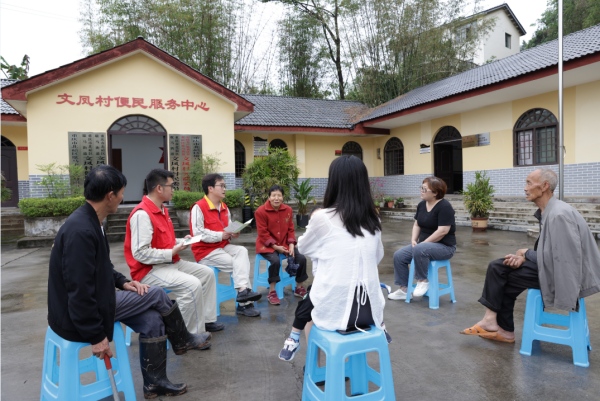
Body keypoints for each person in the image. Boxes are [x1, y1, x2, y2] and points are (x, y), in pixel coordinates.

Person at [48, 165, 212, 399]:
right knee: (155, 294)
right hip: (75, 315)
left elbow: (103, 268)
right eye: (122, 192)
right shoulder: (81, 231)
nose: (124, 197)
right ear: (110, 195)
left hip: (96, 300)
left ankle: (155, 384)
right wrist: (96, 337)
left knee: (153, 320)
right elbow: (79, 291)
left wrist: (124, 282)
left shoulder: (93, 221)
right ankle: (183, 339)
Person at [460, 168, 600, 343]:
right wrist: (526, 257)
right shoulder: (550, 210)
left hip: (568, 277)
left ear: (544, 186)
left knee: (501, 274)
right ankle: (497, 325)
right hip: (556, 268)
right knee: (500, 267)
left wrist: (526, 253)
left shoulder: (559, 214)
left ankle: (498, 326)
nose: (525, 188)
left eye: (529, 183)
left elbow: (563, 260)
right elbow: (551, 252)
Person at [278, 155, 390, 362]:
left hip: (335, 313)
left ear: (334, 183)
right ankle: (381, 331)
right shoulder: (374, 218)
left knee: (311, 302)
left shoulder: (323, 217)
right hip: (370, 313)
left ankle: (312, 363)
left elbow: (303, 247)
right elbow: (377, 256)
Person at [124, 168, 223, 340]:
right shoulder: (142, 214)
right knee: (191, 284)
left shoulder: (162, 209)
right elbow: (140, 253)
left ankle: (205, 321)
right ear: (159, 188)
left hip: (169, 263)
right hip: (149, 271)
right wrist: (171, 252)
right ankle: (185, 336)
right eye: (171, 186)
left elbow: (162, 241)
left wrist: (179, 241)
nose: (173, 190)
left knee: (206, 274)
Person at [190, 173, 262, 317]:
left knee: (241, 251)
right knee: (236, 264)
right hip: (205, 251)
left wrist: (233, 232)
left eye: (224, 186)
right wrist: (220, 235)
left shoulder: (224, 207)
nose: (224, 189)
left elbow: (227, 227)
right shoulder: (198, 207)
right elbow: (197, 233)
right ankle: (244, 302)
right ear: (210, 188)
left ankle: (242, 293)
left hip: (222, 246)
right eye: (221, 186)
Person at [388, 176, 457, 300]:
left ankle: (422, 281)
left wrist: (422, 244)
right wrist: (414, 240)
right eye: (421, 188)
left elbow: (443, 231)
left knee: (421, 249)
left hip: (445, 247)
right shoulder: (421, 205)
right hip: (424, 246)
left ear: (435, 193)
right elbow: (417, 224)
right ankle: (404, 290)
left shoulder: (445, 207)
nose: (421, 191)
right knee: (399, 255)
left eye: (424, 189)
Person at [254, 185, 309, 305]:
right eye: (273, 195)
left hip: (284, 242)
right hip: (267, 245)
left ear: (283, 197)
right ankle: (272, 292)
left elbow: (290, 229)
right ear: (269, 197)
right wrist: (275, 247)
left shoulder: (288, 210)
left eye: (279, 195)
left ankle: (299, 287)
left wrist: (291, 244)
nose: (276, 198)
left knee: (301, 258)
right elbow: (262, 233)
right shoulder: (260, 211)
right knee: (275, 261)